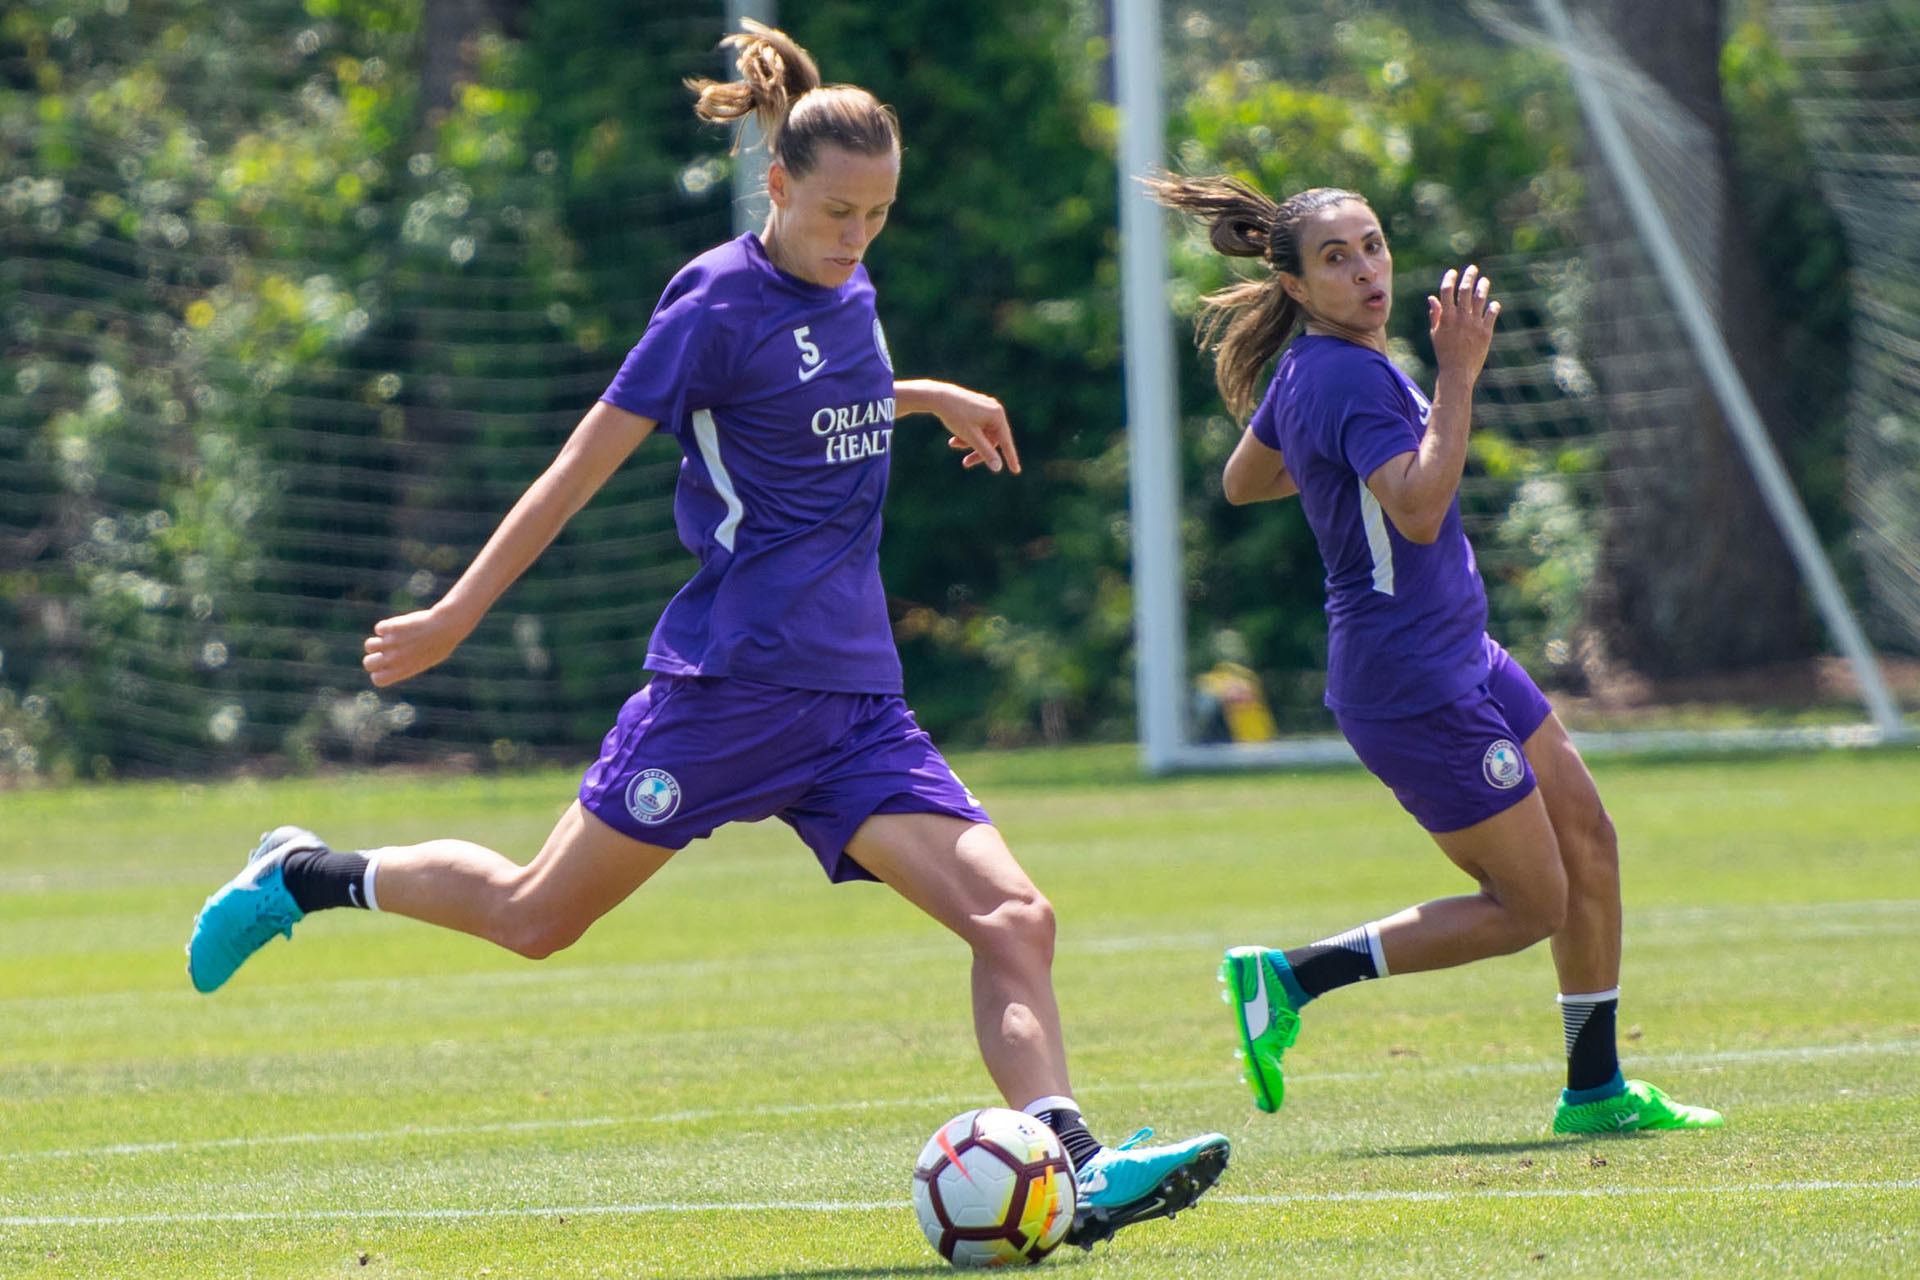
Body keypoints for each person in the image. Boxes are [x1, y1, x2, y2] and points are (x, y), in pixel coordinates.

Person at [185, 22, 1229, 1247]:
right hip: (728, 686)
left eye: (879, 216)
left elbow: (817, 390)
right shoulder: (713, 300)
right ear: (777, 184)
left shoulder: (851, 283)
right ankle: (307, 874)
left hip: (852, 705)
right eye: (839, 212)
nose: (857, 239)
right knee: (535, 917)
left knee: (1014, 919)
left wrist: (926, 391)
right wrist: (457, 609)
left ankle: (1078, 1159)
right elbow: (582, 465)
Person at [1146, 172, 1723, 1135]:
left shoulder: (1311, 368)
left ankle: (1595, 1092)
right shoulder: (1346, 374)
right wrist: (1457, 372)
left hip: (1461, 652)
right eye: (1336, 258)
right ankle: (1288, 979)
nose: (1367, 269)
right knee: (1529, 903)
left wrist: (1337, 458)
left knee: (1588, 837)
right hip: (1411, 681)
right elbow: (1415, 511)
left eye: (1371, 244)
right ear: (1294, 285)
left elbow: (1247, 479)